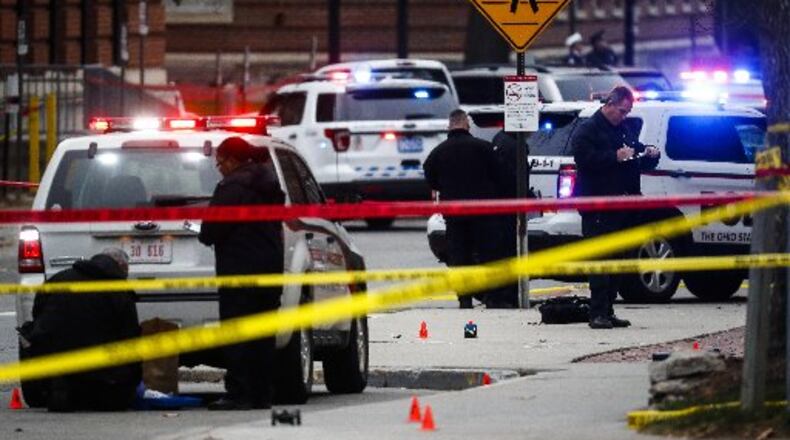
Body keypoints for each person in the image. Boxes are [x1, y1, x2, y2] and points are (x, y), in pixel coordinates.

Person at [198, 136, 285, 410]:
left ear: (233, 160)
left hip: (239, 271)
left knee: (237, 334)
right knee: (263, 336)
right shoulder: (270, 183)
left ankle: (239, 393)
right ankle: (262, 394)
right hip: (269, 271)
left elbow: (210, 231)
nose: (219, 167)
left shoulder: (232, 186)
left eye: (220, 162)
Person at [571, 86, 660, 329]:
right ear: (609, 104)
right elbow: (584, 158)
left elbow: (634, 151)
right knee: (601, 259)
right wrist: (614, 157)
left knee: (618, 260)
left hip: (624, 204)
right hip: (598, 205)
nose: (624, 116)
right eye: (622, 111)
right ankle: (597, 312)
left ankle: (608, 309)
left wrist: (649, 153)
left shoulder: (623, 128)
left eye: (627, 112)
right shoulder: (588, 130)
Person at [24, 248, 141, 412]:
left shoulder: (57, 280)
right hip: (105, 381)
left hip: (60, 373)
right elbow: (131, 338)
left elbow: (38, 318)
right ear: (120, 266)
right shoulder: (119, 291)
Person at [424, 109, 506, 309]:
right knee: (487, 253)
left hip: (454, 214)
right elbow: (499, 176)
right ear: (467, 125)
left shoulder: (438, 152)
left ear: (449, 126)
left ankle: (465, 299)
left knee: (459, 255)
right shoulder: (484, 148)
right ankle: (491, 297)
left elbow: (430, 178)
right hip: (483, 212)